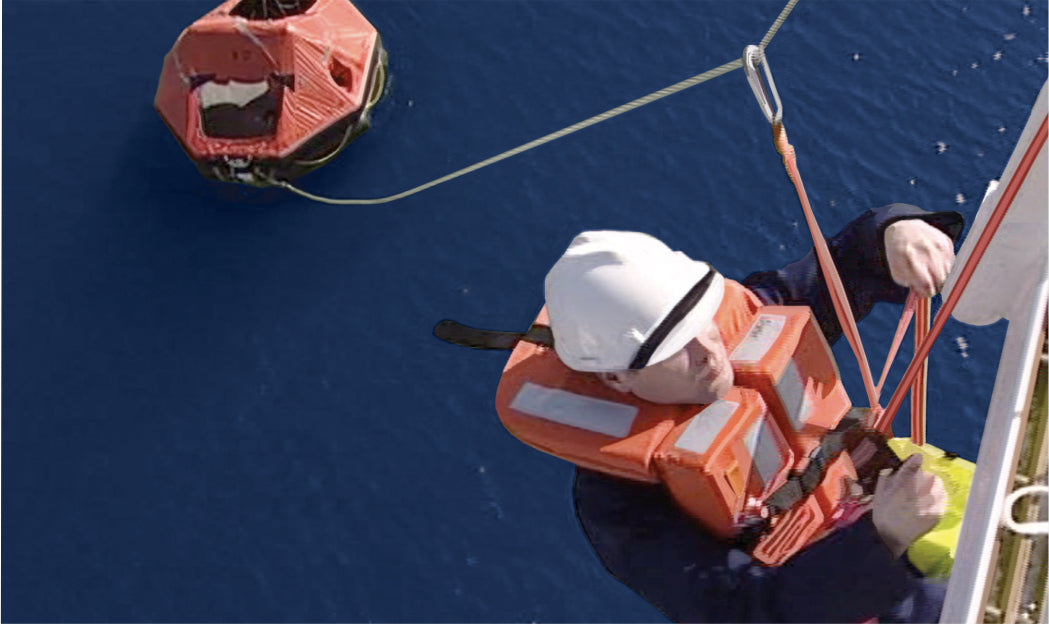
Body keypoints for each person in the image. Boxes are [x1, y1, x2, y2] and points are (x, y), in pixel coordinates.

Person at [541, 203, 963, 623]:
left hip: (894, 495)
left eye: (701, 319)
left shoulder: (745, 322)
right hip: (845, 592)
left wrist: (894, 231)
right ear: (617, 378)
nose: (710, 350)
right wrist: (881, 539)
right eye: (674, 347)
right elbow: (738, 610)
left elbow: (849, 262)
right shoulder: (619, 500)